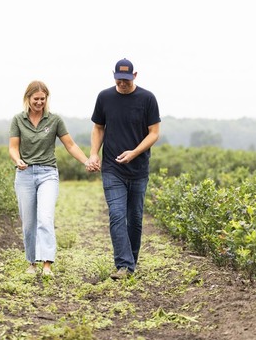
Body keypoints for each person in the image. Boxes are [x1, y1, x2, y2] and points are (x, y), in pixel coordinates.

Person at [9, 80, 93, 277]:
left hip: (47, 173)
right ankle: (31, 262)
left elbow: (70, 145)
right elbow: (13, 147)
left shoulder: (54, 120)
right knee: (28, 223)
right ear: (28, 98)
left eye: (43, 99)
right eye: (36, 99)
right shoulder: (18, 120)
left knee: (45, 218)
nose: (39, 102)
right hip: (25, 174)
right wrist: (17, 160)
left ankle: (47, 264)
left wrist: (86, 161)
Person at [87, 58, 161, 279]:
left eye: (126, 80)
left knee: (135, 219)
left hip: (139, 169)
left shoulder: (147, 99)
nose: (122, 84)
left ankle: (131, 263)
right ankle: (124, 266)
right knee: (117, 214)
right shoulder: (105, 97)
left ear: (134, 76)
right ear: (114, 76)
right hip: (112, 168)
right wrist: (94, 153)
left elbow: (154, 133)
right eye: (118, 80)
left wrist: (134, 152)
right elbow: (98, 127)